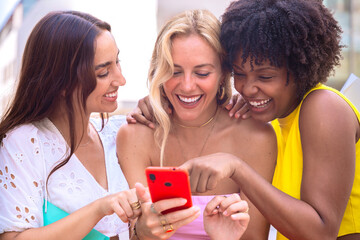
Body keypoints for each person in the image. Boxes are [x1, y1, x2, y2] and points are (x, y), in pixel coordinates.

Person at [129, 0, 360, 239]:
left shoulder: (323, 107)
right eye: (239, 75)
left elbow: (320, 233)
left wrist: (237, 167)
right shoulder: (276, 118)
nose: (248, 89)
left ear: (301, 69)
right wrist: (164, 99)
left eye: (266, 76)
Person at [117, 9, 276, 239]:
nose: (187, 86)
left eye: (202, 73)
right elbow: (134, 232)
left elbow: (254, 237)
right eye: (174, 71)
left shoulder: (256, 137)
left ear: (224, 73)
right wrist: (141, 231)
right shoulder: (135, 136)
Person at [0, 11, 142, 240]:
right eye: (104, 72)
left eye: (118, 62)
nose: (120, 79)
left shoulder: (119, 133)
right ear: (61, 82)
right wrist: (98, 209)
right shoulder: (25, 142)